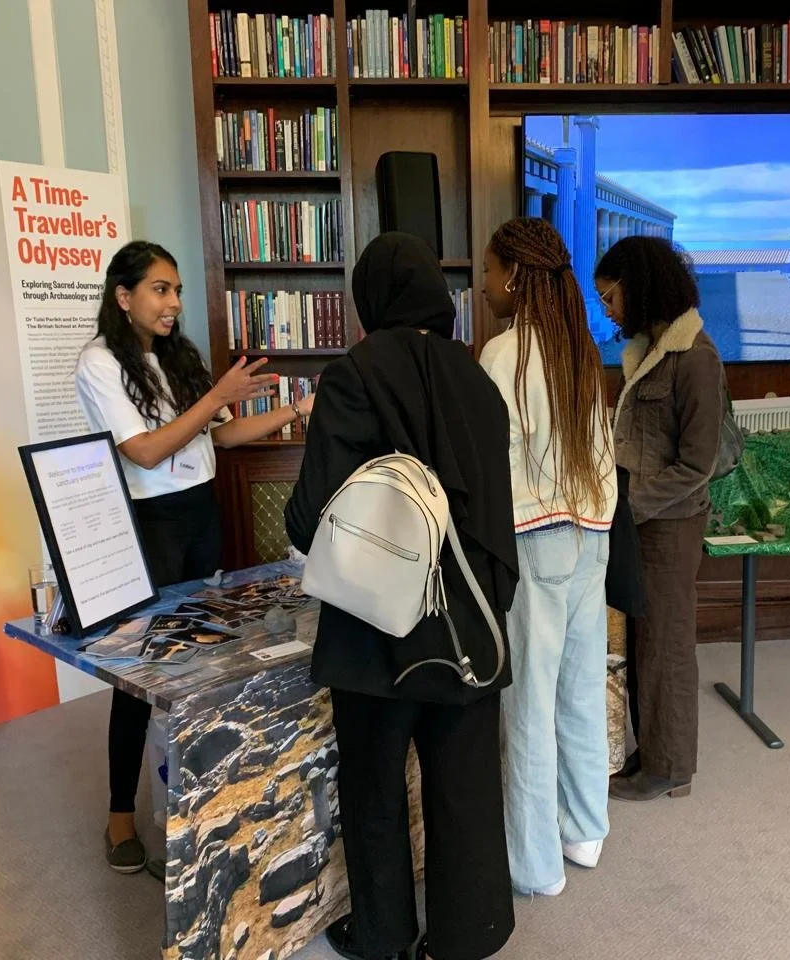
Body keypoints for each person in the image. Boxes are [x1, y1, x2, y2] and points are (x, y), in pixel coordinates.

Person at [285, 233, 518, 960]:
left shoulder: (353, 372)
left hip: (375, 630)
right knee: (465, 788)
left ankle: (384, 933)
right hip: (470, 625)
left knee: (374, 788)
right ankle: (469, 932)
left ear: (368, 303)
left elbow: (310, 513)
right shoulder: (478, 379)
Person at [74, 240, 315, 873]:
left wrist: (292, 410)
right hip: (152, 524)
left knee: (208, 657)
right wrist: (214, 397)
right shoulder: (99, 363)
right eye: (160, 289)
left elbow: (221, 436)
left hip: (203, 510)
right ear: (123, 297)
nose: (174, 301)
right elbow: (146, 452)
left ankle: (203, 795)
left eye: (177, 289)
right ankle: (120, 816)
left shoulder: (177, 357)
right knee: (142, 672)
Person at [479, 218, 616, 896]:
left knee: (528, 704)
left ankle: (535, 867)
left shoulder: (502, 355)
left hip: (534, 538)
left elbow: (490, 463)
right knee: (581, 688)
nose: (481, 282)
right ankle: (585, 831)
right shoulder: (580, 348)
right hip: (594, 532)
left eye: (487, 268)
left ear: (512, 274)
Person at [595, 236, 724, 803]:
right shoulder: (650, 350)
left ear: (639, 287)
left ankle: (670, 768)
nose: (607, 309)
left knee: (666, 643)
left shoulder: (696, 358)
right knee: (645, 641)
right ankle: (655, 754)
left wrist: (631, 504)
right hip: (641, 520)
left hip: (668, 524)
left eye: (611, 296)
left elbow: (698, 463)